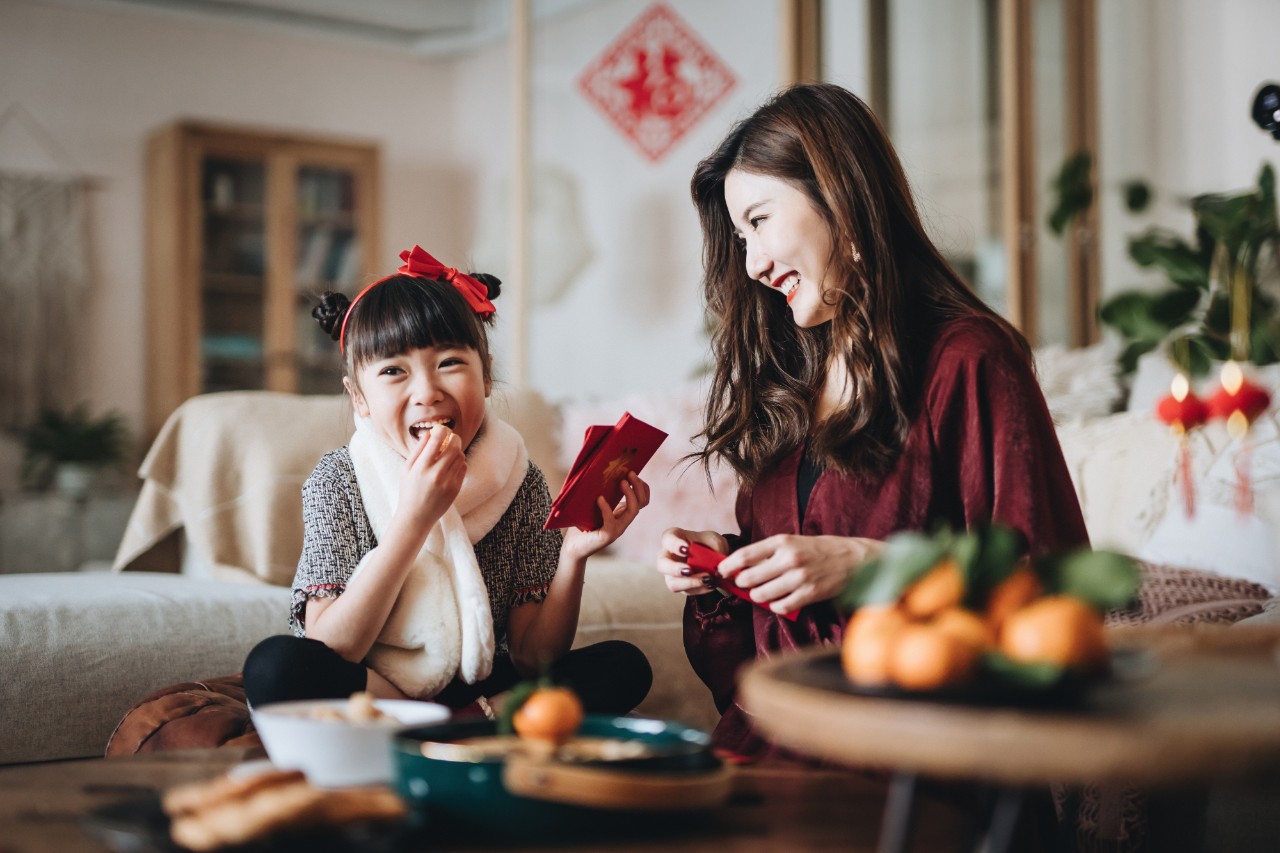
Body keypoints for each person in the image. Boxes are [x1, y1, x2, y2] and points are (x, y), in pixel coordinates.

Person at [655, 83, 1089, 757]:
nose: (753, 264)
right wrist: (730, 567)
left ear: (840, 197)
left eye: (760, 221)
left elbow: (1053, 588)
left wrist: (871, 564)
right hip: (771, 748)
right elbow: (767, 648)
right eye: (740, 238)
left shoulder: (969, 359)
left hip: (915, 758)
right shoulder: (790, 383)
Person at [244, 246, 653, 716]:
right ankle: (454, 728)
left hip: (482, 684)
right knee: (273, 668)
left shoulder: (519, 480)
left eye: (450, 363)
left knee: (624, 666)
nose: (427, 392)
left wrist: (574, 556)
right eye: (393, 371)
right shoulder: (338, 478)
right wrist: (414, 518)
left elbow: (533, 657)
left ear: (486, 375)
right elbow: (333, 647)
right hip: (373, 688)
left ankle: (459, 724)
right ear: (359, 397)